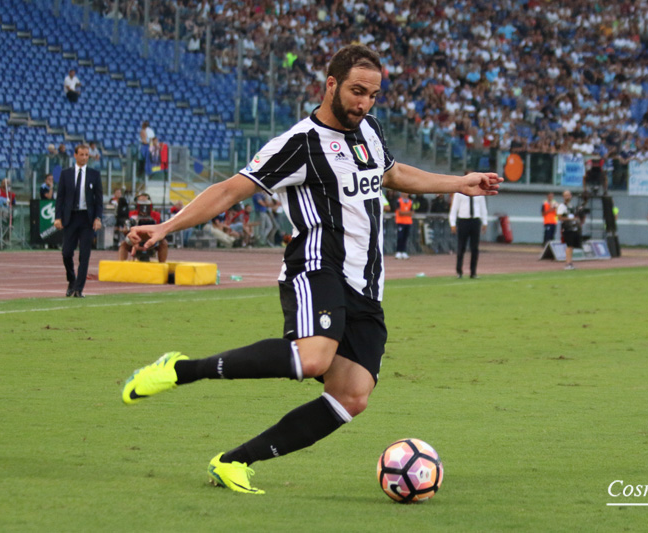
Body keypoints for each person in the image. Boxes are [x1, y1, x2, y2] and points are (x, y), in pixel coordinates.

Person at [121, 44, 500, 495]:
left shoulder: (369, 131)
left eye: (374, 95)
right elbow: (227, 191)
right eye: (357, 91)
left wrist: (459, 183)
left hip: (367, 283)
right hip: (318, 267)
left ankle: (234, 462)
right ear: (332, 84)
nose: (364, 103)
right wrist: (165, 227)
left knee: (352, 395)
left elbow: (393, 175)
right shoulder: (298, 143)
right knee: (314, 356)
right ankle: (183, 369)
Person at [54, 144, 103, 297]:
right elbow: (60, 197)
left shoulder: (94, 174)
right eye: (81, 154)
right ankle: (72, 279)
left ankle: (78, 289)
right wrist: (58, 217)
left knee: (84, 255)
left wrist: (98, 217)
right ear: (75, 155)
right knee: (66, 253)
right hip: (71, 217)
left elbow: (99, 199)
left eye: (87, 155)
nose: (84, 157)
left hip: (87, 219)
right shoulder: (66, 174)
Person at [449, 184, 488, 279]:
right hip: (463, 220)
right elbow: (454, 208)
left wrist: (485, 221)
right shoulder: (460, 192)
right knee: (461, 247)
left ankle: (473, 272)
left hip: (475, 220)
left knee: (474, 248)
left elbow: (483, 207)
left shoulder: (479, 192)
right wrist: (452, 223)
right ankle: (459, 271)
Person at [119, 194, 168, 262]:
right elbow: (126, 228)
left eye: (145, 200)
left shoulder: (156, 215)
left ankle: (162, 265)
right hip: (136, 239)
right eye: (141, 201)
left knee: (164, 243)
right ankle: (121, 266)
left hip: (152, 240)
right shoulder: (132, 214)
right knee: (123, 244)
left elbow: (162, 228)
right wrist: (126, 230)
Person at [557, 190, 581, 270]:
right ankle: (567, 263)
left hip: (573, 228)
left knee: (571, 246)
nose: (567, 197)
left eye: (568, 195)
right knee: (569, 245)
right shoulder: (562, 206)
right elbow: (560, 217)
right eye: (565, 195)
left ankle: (570, 262)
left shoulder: (571, 206)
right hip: (567, 228)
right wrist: (570, 219)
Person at [394, 191, 414, 259]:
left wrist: (404, 213)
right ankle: (398, 251)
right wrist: (407, 213)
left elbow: (412, 212)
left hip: (408, 222)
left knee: (405, 237)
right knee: (400, 237)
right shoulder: (399, 201)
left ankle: (404, 251)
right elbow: (400, 212)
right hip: (400, 221)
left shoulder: (410, 201)